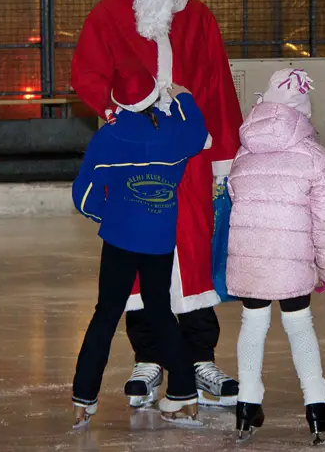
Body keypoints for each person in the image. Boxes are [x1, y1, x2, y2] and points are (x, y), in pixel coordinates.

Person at [70, 0, 242, 408]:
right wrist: (117, 117)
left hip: (191, 158)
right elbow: (86, 73)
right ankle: (148, 359)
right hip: (134, 160)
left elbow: (219, 89)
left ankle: (200, 358)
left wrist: (222, 161)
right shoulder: (106, 17)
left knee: (192, 254)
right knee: (138, 259)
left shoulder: (200, 19)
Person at [70, 57, 210, 428]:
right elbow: (198, 134)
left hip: (119, 240)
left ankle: (84, 398)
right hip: (159, 241)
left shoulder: (107, 138)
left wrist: (109, 215)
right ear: (153, 96)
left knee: (105, 315)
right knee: (161, 310)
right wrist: (184, 99)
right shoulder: (173, 133)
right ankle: (184, 394)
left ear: (117, 102)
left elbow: (82, 196)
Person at [225, 68, 325, 444]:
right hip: (292, 262)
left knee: (253, 324)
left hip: (250, 260)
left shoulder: (243, 154)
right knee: (299, 326)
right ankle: (318, 408)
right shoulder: (314, 158)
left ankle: (246, 404)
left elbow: (234, 199)